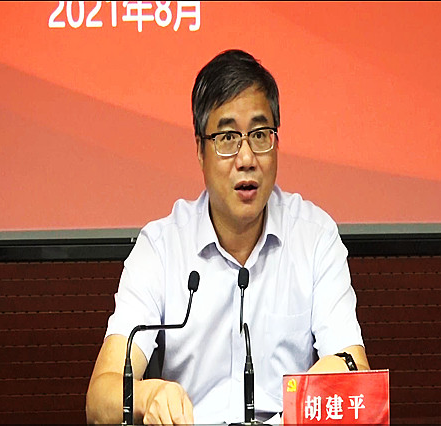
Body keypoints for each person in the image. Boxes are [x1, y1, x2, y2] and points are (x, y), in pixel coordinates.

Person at [86, 49, 370, 425]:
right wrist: (149, 395)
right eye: (227, 137)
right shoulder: (161, 248)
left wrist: (334, 374)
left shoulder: (315, 238)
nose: (247, 158)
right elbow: (100, 400)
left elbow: (354, 372)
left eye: (260, 135)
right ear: (200, 150)